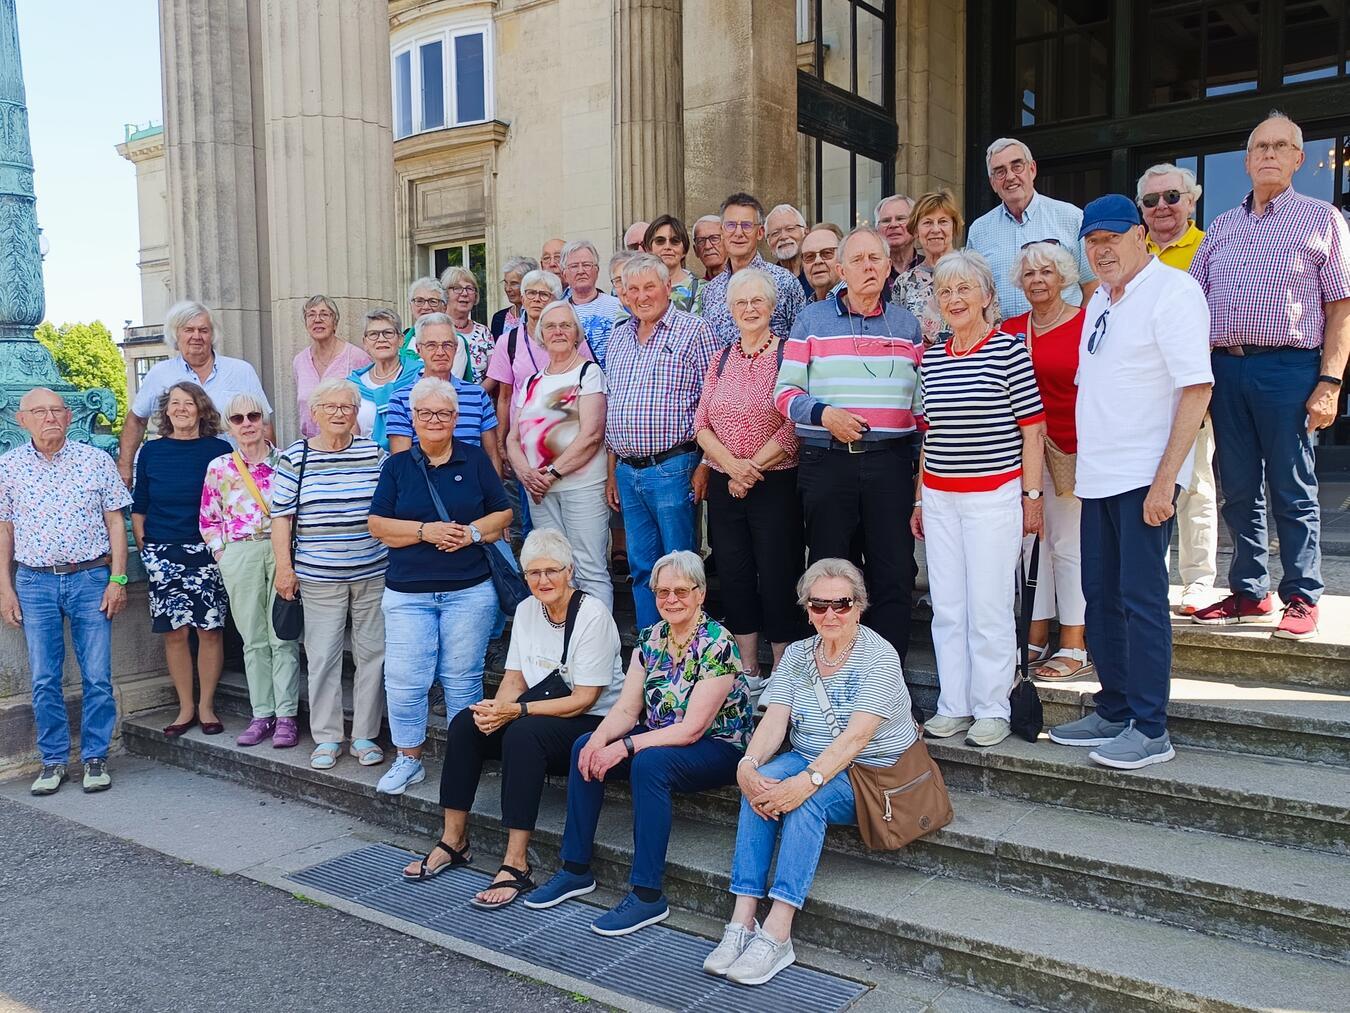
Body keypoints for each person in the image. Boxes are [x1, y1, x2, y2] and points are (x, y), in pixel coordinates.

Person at [1048, 194, 1212, 770]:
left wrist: (1166, 481)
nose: (1102, 249)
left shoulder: (1174, 292)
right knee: (1100, 597)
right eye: (1092, 241)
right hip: (1098, 478)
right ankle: (1114, 706)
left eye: (1113, 237)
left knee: (1142, 603)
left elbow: (1196, 389)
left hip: (1145, 477)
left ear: (1142, 235)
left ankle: (1151, 727)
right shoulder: (1100, 302)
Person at [705, 558, 918, 985]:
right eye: (819, 606)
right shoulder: (800, 654)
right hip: (811, 755)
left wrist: (808, 781)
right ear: (807, 609)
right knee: (761, 785)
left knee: (806, 801)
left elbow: (856, 739)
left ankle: (778, 931)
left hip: (872, 773)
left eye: (841, 604)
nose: (830, 615)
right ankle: (742, 920)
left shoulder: (879, 657)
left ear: (859, 606)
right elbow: (775, 720)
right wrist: (748, 764)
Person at [525, 551, 752, 936]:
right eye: (662, 592)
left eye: (681, 591)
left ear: (700, 594)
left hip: (717, 746)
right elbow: (628, 710)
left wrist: (626, 747)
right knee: (584, 746)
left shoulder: (718, 643)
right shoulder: (651, 639)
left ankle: (648, 895)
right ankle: (575, 869)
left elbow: (692, 729)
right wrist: (600, 741)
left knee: (650, 765)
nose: (671, 600)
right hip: (660, 740)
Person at [1189, 112, 1350, 640]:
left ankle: (1302, 593)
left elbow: (1340, 310)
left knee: (1292, 484)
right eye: (1260, 146)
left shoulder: (1322, 218)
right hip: (1226, 368)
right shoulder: (1222, 226)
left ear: (1299, 160)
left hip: (1289, 367)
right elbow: (1191, 301)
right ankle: (1249, 590)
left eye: (1281, 146)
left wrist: (1330, 383)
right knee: (1237, 486)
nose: (1269, 155)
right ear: (1247, 160)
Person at [402, 530, 622, 907]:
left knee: (523, 735)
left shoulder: (593, 615)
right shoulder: (526, 609)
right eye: (533, 573)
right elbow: (515, 678)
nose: (543, 580)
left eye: (552, 571)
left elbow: (584, 699)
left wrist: (515, 712)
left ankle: (517, 864)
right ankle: (454, 840)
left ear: (569, 571)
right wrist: (494, 712)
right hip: (538, 709)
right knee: (465, 724)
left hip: (593, 721)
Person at [912, 251, 1046, 748]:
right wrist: (920, 500)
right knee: (948, 606)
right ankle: (955, 704)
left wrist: (1032, 497)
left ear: (987, 296)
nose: (954, 299)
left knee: (988, 605)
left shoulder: (1009, 351)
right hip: (942, 498)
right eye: (945, 291)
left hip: (994, 495)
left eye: (964, 289)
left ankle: (992, 707)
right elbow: (930, 436)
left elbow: (1033, 432)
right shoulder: (931, 358)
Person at [774, 226, 923, 665]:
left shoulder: (906, 324)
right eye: (857, 260)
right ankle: (833, 671)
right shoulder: (812, 320)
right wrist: (825, 415)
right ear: (840, 269)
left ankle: (886, 682)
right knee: (830, 576)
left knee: (894, 573)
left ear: (889, 266)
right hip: (828, 463)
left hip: (891, 465)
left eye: (876, 259)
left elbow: (920, 407)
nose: (868, 267)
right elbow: (785, 395)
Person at [368, 377, 515, 795]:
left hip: (469, 590)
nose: (435, 420)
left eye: (444, 413)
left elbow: (502, 514)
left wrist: (468, 533)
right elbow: (378, 525)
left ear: (456, 418)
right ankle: (408, 759)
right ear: (413, 419)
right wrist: (424, 531)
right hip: (408, 594)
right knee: (404, 679)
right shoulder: (396, 466)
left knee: (462, 678)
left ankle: (461, 759)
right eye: (426, 413)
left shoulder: (473, 459)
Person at [0, 388, 131, 795]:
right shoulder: (7, 467)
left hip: (90, 578)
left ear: (69, 416)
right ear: (23, 420)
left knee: (97, 676)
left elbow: (115, 524)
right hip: (35, 581)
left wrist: (119, 580)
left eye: (56, 410)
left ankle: (95, 757)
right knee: (43, 678)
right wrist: (5, 588)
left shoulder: (95, 460)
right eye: (39, 411)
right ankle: (53, 761)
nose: (49, 417)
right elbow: (4, 530)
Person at [271, 378, 389, 771]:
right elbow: (281, 520)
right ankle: (327, 736)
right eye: (331, 407)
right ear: (315, 413)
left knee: (374, 654)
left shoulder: (375, 453)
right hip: (317, 575)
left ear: (357, 414)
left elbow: (391, 507)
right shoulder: (295, 457)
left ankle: (365, 735)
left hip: (373, 571)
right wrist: (284, 570)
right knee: (323, 657)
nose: (340, 414)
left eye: (348, 407)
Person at [694, 268, 803, 691]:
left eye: (758, 301)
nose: (750, 309)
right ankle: (748, 669)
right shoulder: (721, 357)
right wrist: (731, 466)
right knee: (736, 574)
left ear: (772, 307)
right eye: (741, 302)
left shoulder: (787, 354)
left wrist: (750, 468)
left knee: (777, 573)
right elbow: (702, 421)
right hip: (725, 484)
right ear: (731, 309)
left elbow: (793, 422)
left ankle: (782, 670)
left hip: (774, 482)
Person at [605, 253, 723, 630]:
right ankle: (650, 653)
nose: (641, 296)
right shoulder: (618, 335)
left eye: (649, 286)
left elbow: (714, 401)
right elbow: (612, 405)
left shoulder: (694, 330)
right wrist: (612, 474)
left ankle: (686, 655)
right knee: (642, 569)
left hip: (675, 467)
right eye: (632, 288)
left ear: (667, 287)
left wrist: (706, 464)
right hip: (628, 470)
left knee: (681, 571)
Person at [1001, 241, 1089, 679]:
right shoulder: (1012, 328)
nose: (1038, 280)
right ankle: (1035, 633)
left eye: (1047, 272)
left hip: (1072, 450)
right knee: (1029, 544)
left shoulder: (1087, 323)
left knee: (1067, 547)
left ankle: (1074, 640)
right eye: (1030, 273)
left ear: (1064, 277)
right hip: (1022, 455)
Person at [1138, 163, 1218, 614]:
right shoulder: (1134, 252)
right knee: (1149, 490)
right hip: (1144, 399)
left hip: (1189, 390)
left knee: (1195, 485)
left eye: (1172, 197)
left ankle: (1198, 580)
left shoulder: (1209, 248)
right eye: (1151, 201)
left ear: (1191, 201)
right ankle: (1157, 579)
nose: (1162, 207)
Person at [199, 393, 301, 747]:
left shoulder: (287, 462)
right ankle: (262, 714)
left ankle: (287, 715)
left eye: (253, 416)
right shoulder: (219, 467)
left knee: (283, 635)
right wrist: (222, 554)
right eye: (238, 418)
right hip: (240, 553)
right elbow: (208, 518)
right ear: (229, 426)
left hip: (280, 552)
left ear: (263, 420)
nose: (247, 424)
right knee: (253, 640)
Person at [131, 382, 232, 738]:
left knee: (210, 630)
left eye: (188, 403)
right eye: (174, 403)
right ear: (167, 411)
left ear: (201, 409)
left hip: (206, 549)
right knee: (174, 633)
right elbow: (139, 503)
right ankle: (185, 707)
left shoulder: (219, 450)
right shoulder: (152, 452)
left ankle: (206, 706)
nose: (181, 409)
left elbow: (228, 500)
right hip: (163, 550)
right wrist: (146, 545)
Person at [507, 300, 613, 609]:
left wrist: (551, 473)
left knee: (589, 569)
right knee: (553, 568)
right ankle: (562, 639)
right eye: (551, 326)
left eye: (566, 325)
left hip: (580, 487)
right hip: (539, 492)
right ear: (541, 334)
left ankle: (597, 648)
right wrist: (526, 474)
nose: (558, 331)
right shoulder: (531, 382)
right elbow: (513, 438)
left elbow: (592, 434)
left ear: (577, 333)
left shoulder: (588, 373)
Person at [118, 300, 271, 484]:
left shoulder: (241, 371)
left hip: (235, 477)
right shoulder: (160, 373)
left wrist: (267, 472)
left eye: (203, 330)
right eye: (189, 330)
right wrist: (125, 466)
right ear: (176, 335)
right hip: (179, 476)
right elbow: (136, 419)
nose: (196, 336)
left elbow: (264, 423)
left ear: (212, 335)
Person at [966, 137, 1097, 318]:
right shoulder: (979, 231)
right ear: (992, 183)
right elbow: (973, 293)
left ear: (1032, 169)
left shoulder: (1071, 217)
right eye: (1000, 172)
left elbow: (1092, 285)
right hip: (1000, 341)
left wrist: (1077, 331)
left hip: (1060, 338)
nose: (1010, 176)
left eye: (1017, 166)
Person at [386, 313, 503, 474]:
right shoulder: (400, 398)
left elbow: (492, 456)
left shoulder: (478, 396)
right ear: (419, 349)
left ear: (456, 348)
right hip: (423, 491)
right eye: (431, 345)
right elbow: (401, 464)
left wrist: (495, 496)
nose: (440, 352)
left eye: (447, 345)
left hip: (472, 492)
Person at [701, 193, 807, 347]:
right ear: (722, 231)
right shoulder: (710, 291)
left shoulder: (784, 282)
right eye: (731, 225)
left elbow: (800, 343)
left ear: (760, 233)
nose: (738, 233)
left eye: (747, 225)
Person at [892, 190, 964, 346]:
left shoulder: (974, 273)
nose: (936, 229)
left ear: (954, 227)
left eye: (943, 221)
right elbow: (896, 337)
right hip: (922, 367)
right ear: (916, 231)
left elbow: (992, 325)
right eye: (927, 222)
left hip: (968, 365)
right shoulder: (904, 283)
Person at [294, 295, 371, 438]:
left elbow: (367, 407)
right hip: (312, 447)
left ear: (335, 323)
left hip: (348, 445)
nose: (317, 319)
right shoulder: (299, 361)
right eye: (311, 315)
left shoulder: (356, 357)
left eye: (324, 314)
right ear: (306, 324)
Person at [350, 308, 421, 451]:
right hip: (367, 465)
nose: (381, 339)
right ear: (365, 343)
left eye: (388, 333)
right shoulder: (353, 385)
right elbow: (350, 437)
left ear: (401, 340)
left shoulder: (420, 376)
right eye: (373, 334)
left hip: (414, 462)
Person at [562, 240, 624, 368]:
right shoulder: (557, 312)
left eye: (586, 265)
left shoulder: (619, 306)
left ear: (597, 270)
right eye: (574, 266)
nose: (581, 271)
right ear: (564, 274)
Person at [441, 265, 497, 387]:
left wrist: (473, 395)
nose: (465, 293)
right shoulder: (436, 329)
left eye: (470, 288)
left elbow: (493, 374)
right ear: (445, 294)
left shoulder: (484, 332)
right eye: (457, 288)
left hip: (477, 401)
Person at [643, 215, 702, 312]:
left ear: (684, 250)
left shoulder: (702, 289)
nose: (667, 247)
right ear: (649, 249)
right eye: (660, 241)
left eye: (675, 241)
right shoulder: (636, 287)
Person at [875, 194, 919, 294]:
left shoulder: (932, 269)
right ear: (877, 230)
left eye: (900, 219)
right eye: (886, 221)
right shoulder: (870, 270)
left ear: (915, 225)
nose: (893, 225)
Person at [764, 203, 811, 297]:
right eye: (775, 233)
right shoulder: (765, 282)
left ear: (805, 233)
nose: (783, 237)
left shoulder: (817, 273)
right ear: (768, 243)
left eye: (790, 229)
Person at [490, 255, 539, 339]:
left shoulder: (538, 316)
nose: (508, 289)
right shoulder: (498, 318)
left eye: (514, 283)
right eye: (505, 283)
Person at [400, 276, 448, 360]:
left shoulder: (453, 341)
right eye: (419, 301)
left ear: (444, 307)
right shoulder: (401, 340)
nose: (426, 307)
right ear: (411, 306)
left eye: (433, 301)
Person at [800, 225, 843, 303]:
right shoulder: (804, 310)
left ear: (843, 257)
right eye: (809, 256)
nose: (818, 261)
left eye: (827, 253)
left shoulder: (859, 303)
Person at [692, 214, 726, 280]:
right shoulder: (696, 288)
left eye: (714, 238)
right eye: (701, 241)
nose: (707, 246)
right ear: (696, 251)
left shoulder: (744, 281)